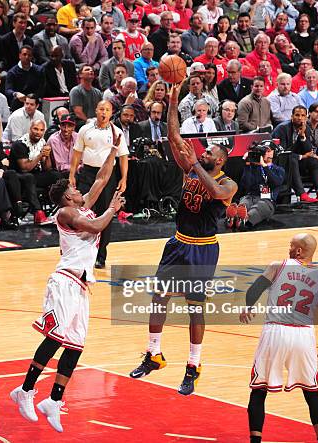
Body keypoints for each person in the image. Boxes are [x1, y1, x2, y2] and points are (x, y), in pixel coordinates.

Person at [10, 138, 125, 433]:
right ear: (66, 197)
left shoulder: (81, 207)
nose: (78, 190)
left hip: (81, 285)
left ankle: (54, 400)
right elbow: (99, 225)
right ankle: (24, 390)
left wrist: (113, 150)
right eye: (73, 189)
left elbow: (101, 179)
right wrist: (112, 208)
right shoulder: (66, 213)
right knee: (56, 337)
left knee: (75, 345)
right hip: (64, 280)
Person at [129, 83, 237, 395]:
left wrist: (193, 164)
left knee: (195, 308)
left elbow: (216, 194)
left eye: (209, 152)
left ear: (219, 161)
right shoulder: (191, 169)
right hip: (177, 242)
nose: (203, 152)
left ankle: (193, 366)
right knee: (158, 298)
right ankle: (154, 355)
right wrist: (174, 100)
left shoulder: (226, 183)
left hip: (202, 249)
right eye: (203, 151)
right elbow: (174, 137)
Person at [241, 233, 318, 443]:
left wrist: (248, 307)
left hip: (275, 332)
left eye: (291, 245)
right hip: (304, 336)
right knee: (312, 393)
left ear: (298, 251)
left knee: (259, 391)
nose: (289, 248)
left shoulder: (278, 266)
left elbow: (253, 291)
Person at [69, 100, 128, 269]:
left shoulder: (117, 132)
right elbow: (77, 153)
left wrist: (124, 178)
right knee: (84, 211)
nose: (104, 112)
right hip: (87, 173)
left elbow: (123, 156)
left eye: (107, 110)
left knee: (105, 214)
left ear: (111, 113)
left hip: (108, 176)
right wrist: (72, 174)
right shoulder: (85, 129)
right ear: (96, 110)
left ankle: (101, 255)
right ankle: (81, 251)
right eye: (101, 108)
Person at [271, 106, 318, 203]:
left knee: (313, 160)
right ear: (291, 116)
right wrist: (301, 156)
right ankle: (302, 194)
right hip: (280, 163)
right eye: (297, 115)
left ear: (306, 117)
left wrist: (302, 136)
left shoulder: (306, 128)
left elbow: (308, 150)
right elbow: (282, 154)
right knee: (292, 160)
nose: (300, 118)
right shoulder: (282, 128)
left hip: (295, 160)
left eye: (303, 115)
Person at [233, 144, 285, 228]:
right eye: (264, 151)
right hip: (251, 196)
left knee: (259, 207)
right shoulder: (253, 167)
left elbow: (276, 183)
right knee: (244, 204)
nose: (265, 154)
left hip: (267, 200)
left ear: (274, 153)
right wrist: (247, 165)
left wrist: (264, 166)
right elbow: (247, 184)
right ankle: (234, 217)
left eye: (268, 151)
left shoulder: (279, 170)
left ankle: (244, 218)